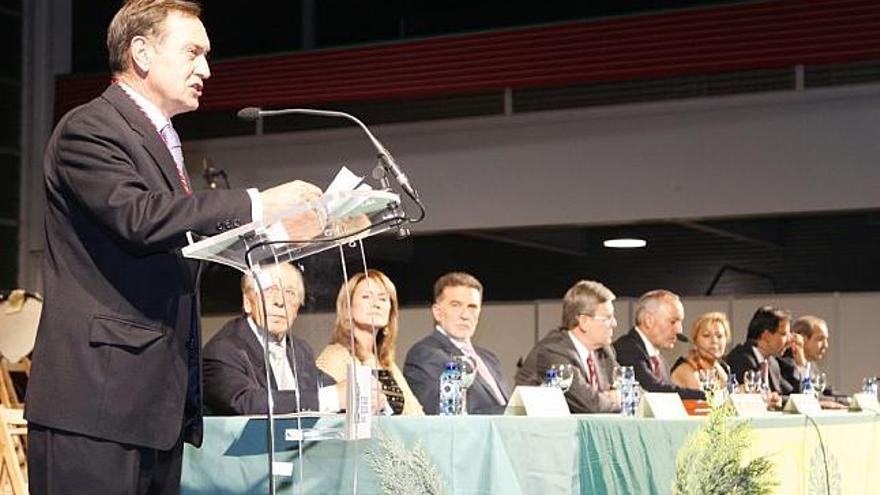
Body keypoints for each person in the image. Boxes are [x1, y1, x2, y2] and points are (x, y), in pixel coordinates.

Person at [25, 1, 324, 493]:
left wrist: (271, 233)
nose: (206, 69)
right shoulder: (90, 127)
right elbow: (140, 218)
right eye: (192, 52)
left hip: (152, 409)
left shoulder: (162, 141)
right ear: (141, 52)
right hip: (97, 405)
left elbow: (179, 238)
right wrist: (256, 203)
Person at [203, 263, 345, 415]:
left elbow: (331, 388)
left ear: (297, 307)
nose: (280, 301)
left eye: (290, 292)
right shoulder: (223, 351)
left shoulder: (300, 350)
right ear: (247, 302)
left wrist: (360, 391)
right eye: (269, 291)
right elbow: (246, 402)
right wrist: (330, 398)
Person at [316, 270, 424, 415]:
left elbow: (417, 415)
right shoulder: (334, 357)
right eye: (366, 296)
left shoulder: (387, 364)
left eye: (383, 299)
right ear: (348, 308)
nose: (376, 304)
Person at [404, 272, 510, 414]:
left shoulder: (490, 358)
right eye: (456, 305)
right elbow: (443, 412)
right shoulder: (424, 354)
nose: (465, 315)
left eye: (472, 307)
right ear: (437, 312)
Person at [515, 280, 621, 413]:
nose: (614, 324)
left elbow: (634, 391)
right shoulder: (553, 352)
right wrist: (619, 400)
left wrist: (621, 395)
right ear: (584, 322)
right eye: (608, 318)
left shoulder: (604, 352)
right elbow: (589, 404)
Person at [612, 289, 704, 399]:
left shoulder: (661, 361)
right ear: (648, 320)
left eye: (680, 323)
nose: (679, 330)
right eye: (673, 322)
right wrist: (707, 395)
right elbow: (654, 390)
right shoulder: (627, 348)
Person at [725, 305, 792, 409]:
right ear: (766, 335)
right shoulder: (741, 358)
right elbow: (748, 399)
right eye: (784, 334)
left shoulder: (772, 362)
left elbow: (793, 394)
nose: (790, 340)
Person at [779, 315, 847, 408]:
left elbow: (826, 392)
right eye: (820, 339)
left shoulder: (811, 365)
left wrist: (849, 401)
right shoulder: (783, 364)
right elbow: (801, 397)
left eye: (826, 340)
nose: (825, 345)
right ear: (802, 338)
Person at [670, 312, 731, 391]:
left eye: (719, 336)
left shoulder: (723, 368)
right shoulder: (686, 370)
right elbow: (705, 399)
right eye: (706, 335)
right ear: (695, 342)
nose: (714, 341)